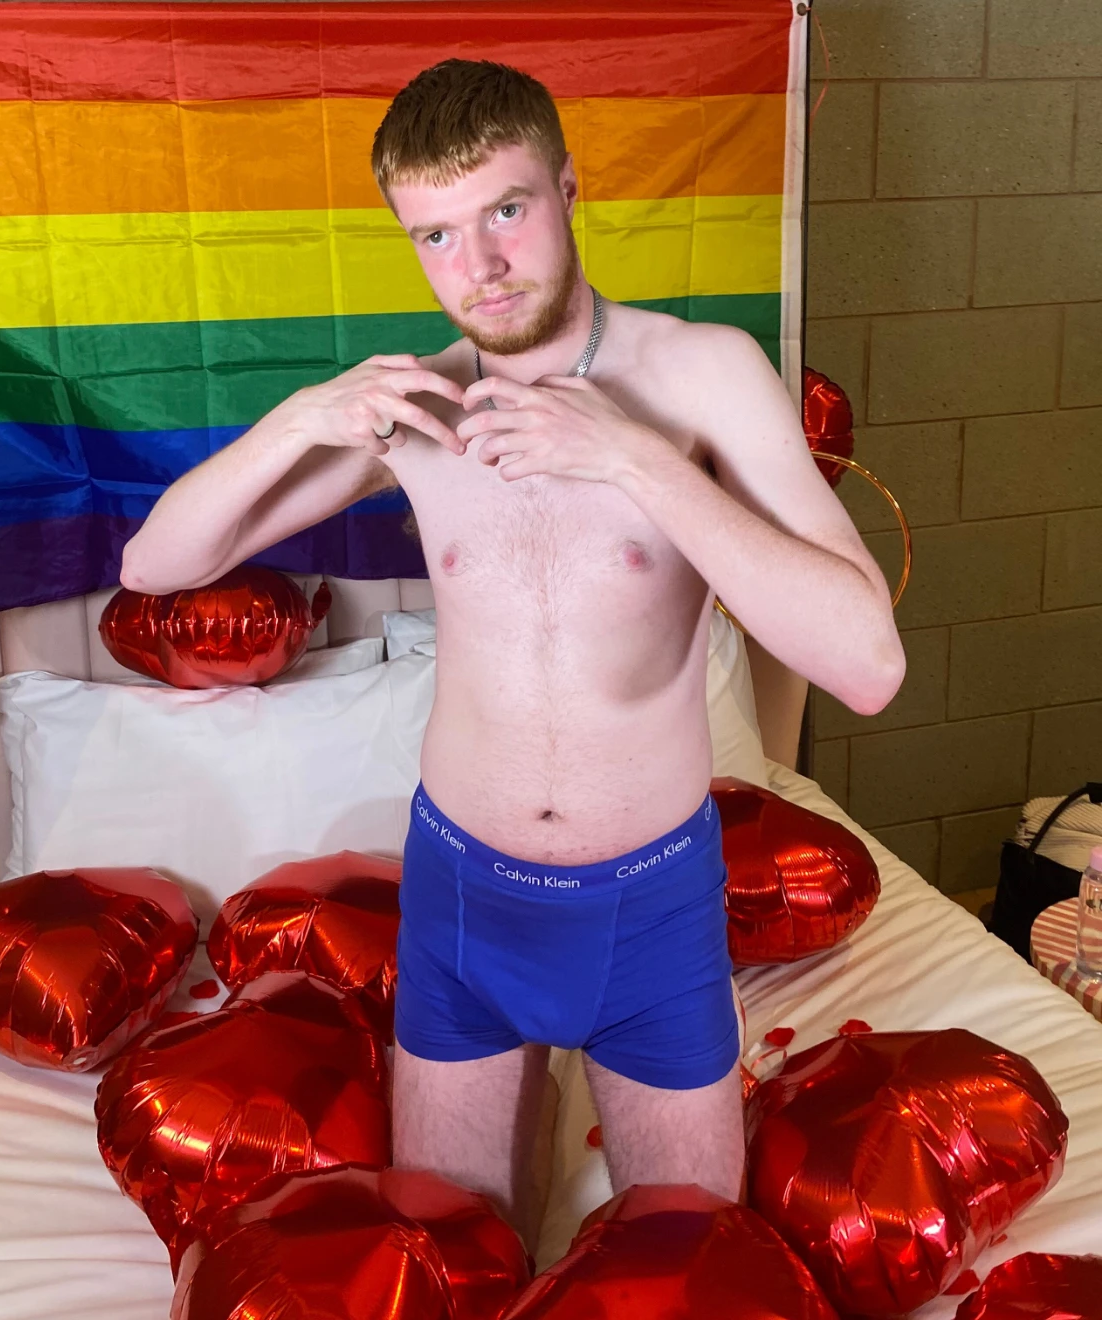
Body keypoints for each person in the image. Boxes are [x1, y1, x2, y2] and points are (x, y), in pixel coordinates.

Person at [121, 58, 905, 1247]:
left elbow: (869, 666)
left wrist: (635, 459)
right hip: (466, 902)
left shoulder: (702, 375)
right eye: (436, 235)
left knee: (685, 1261)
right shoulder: (418, 410)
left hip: (650, 907)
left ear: (569, 190)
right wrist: (299, 418)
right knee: (453, 1259)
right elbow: (157, 563)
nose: (479, 266)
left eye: (506, 211)